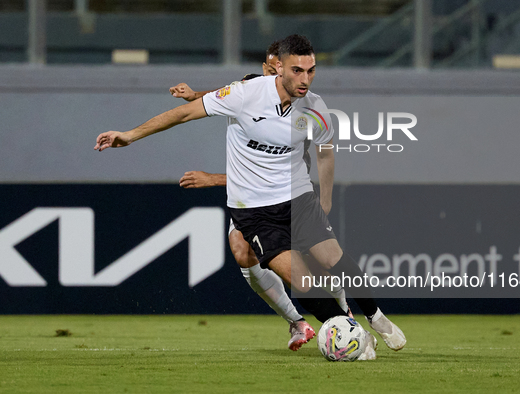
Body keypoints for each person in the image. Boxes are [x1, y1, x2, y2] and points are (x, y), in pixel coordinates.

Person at [94, 34, 405, 360]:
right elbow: (184, 114)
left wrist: (324, 198)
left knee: (332, 258)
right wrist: (129, 135)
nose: (305, 79)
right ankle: (347, 333)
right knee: (298, 275)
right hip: (254, 209)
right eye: (297, 71)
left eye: (311, 71)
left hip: (297, 195)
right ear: (278, 68)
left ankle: (375, 316)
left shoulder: (314, 106)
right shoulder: (245, 94)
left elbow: (325, 152)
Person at [169, 40, 349, 351]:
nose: (268, 75)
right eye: (266, 69)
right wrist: (195, 94)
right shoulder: (251, 90)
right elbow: (222, 96)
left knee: (314, 263)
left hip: (288, 194)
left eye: (273, 69)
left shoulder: (300, 109)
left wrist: (213, 179)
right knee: (242, 251)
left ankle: (344, 316)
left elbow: (281, 171)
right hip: (251, 202)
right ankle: (297, 321)